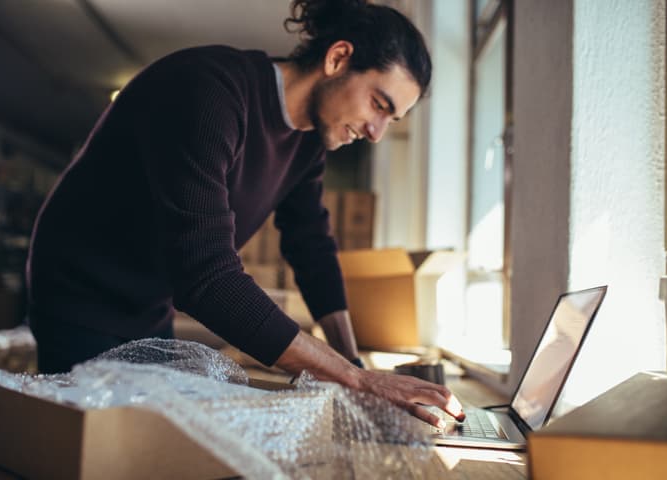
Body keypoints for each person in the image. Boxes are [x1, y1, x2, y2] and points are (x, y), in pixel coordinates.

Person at [27, 0, 465, 426]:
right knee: (89, 449)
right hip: (79, 292)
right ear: (338, 58)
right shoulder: (210, 92)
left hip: (148, 304)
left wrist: (351, 362)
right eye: (379, 104)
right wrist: (357, 379)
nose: (376, 133)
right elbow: (207, 278)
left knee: (149, 439)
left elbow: (311, 247)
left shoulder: (308, 143)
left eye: (392, 120)